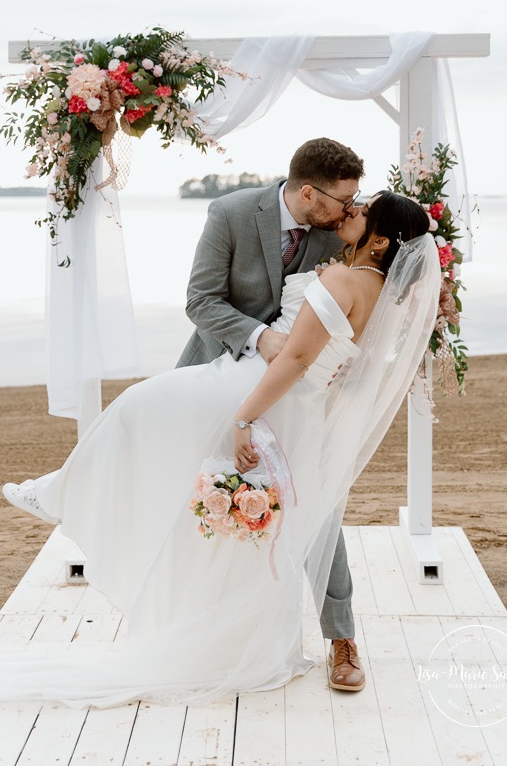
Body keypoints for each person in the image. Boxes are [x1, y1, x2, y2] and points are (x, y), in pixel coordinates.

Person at [0, 191, 439, 709]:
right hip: (297, 406)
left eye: (362, 211)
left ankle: (61, 493)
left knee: (139, 404)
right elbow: (333, 362)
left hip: (258, 389)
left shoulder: (343, 278)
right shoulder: (378, 289)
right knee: (182, 451)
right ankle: (223, 628)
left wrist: (244, 417)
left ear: (381, 239)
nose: (351, 212)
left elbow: (296, 356)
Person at [177, 137, 368, 691]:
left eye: (355, 202)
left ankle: (342, 638)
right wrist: (261, 339)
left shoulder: (342, 230)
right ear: (308, 194)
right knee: (216, 503)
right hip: (223, 376)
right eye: (341, 200)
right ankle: (208, 630)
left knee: (320, 507)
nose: (349, 211)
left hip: (306, 394)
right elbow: (200, 300)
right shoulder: (231, 212)